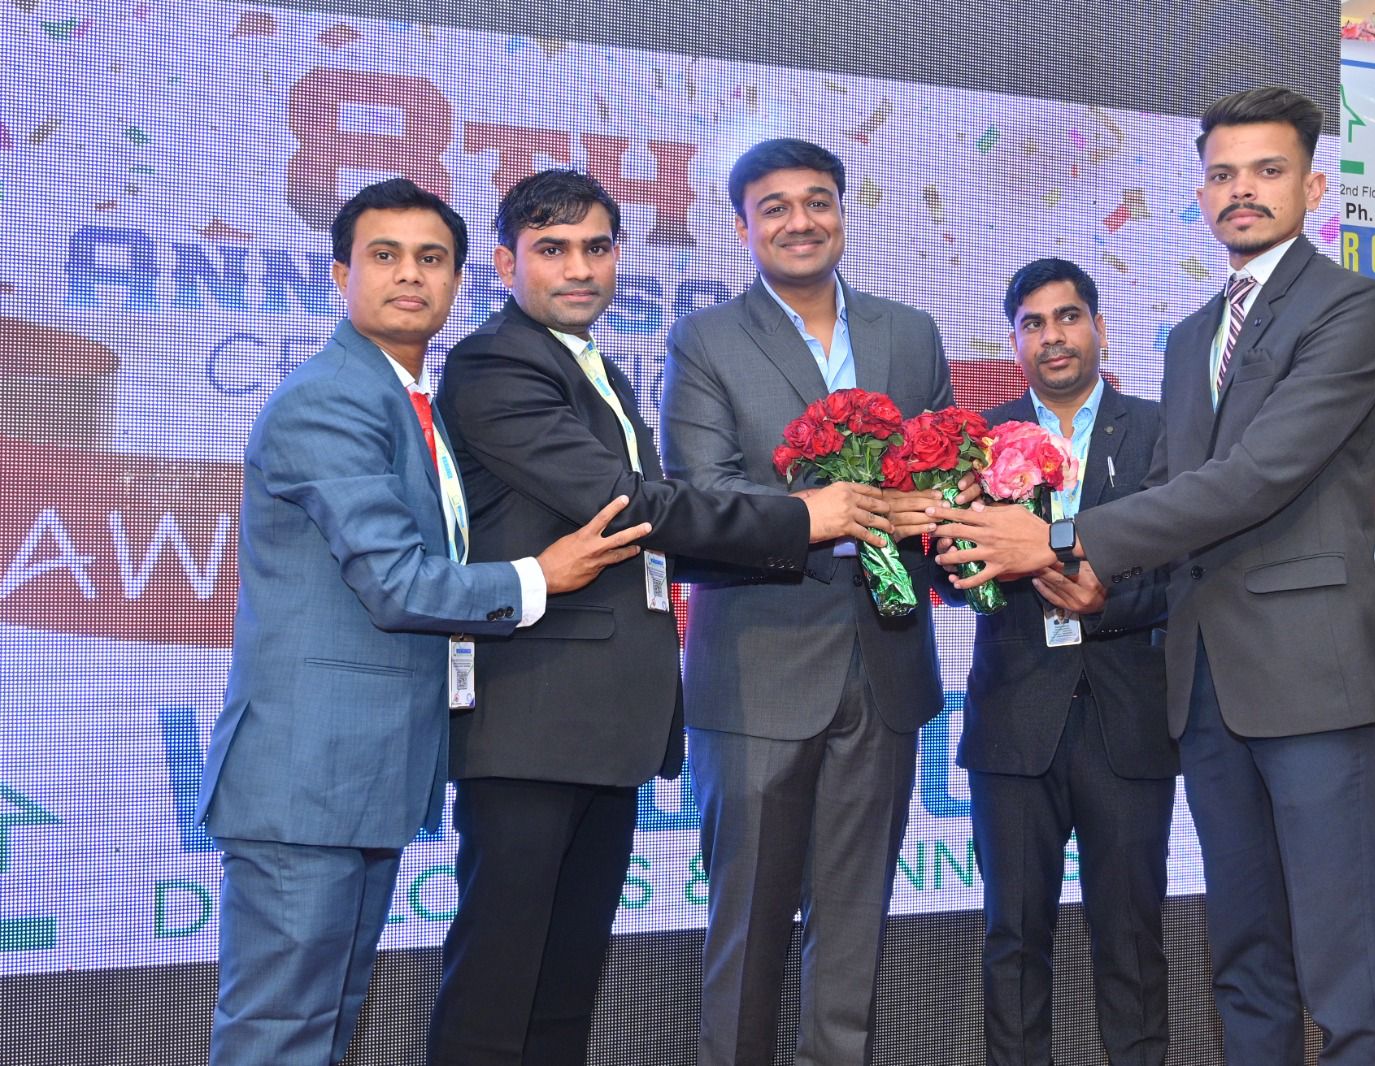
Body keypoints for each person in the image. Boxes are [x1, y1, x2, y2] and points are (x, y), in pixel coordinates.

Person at [936, 86, 1375, 1064]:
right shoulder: (1193, 335)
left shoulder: (1350, 307)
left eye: (1267, 170)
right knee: (1244, 953)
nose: (1242, 190)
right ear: (1200, 194)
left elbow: (1254, 478)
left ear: (1312, 186)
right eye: (1222, 174)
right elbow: (1176, 497)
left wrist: (1057, 542)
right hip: (1199, 681)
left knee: (1342, 957)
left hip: (1304, 670)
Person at [425, 168, 889, 1066]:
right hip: (531, 722)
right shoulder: (495, 363)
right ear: (504, 264)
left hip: (603, 730)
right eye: (552, 249)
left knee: (562, 992)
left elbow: (650, 541)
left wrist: (816, 536)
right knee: (496, 992)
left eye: (596, 247)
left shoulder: (591, 366)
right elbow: (629, 508)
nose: (579, 268)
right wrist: (804, 517)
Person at [195, 177, 650, 1066]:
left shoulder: (407, 401)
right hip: (305, 778)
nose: (411, 275)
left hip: (362, 779)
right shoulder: (332, 400)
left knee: (323, 1025)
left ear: (457, 280)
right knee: (281, 1032)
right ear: (340, 276)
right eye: (385, 256)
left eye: (432, 258)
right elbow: (396, 584)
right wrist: (539, 575)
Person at [660, 137, 953, 1066]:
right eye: (775, 206)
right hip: (759, 668)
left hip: (886, 665)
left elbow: (945, 476)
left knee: (856, 932)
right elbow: (699, 499)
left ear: (841, 212)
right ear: (742, 227)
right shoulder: (706, 339)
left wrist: (935, 510)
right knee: (747, 933)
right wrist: (816, 513)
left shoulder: (911, 334)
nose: (800, 221)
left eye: (817, 201)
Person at [952, 258, 1174, 1066]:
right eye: (1033, 324)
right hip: (1015, 722)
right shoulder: (977, 443)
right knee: (1012, 940)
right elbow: (949, 575)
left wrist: (1104, 600)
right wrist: (959, 541)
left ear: (1100, 328)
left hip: (1128, 719)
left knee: (1132, 938)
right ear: (1014, 341)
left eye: (1068, 317)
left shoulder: (1159, 431)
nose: (1053, 336)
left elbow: (1184, 574)